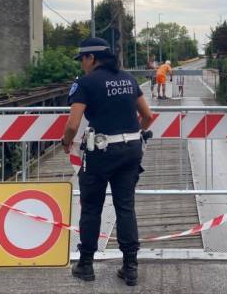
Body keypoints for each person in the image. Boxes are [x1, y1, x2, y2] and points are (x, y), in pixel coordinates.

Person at [62, 37, 154, 286]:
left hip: (100, 152)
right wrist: (134, 135)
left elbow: (73, 123)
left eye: (82, 59)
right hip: (132, 148)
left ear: (91, 58)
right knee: (125, 207)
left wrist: (66, 141)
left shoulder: (85, 83)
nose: (81, 64)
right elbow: (147, 116)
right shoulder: (128, 79)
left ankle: (86, 265)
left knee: (92, 206)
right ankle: (130, 268)